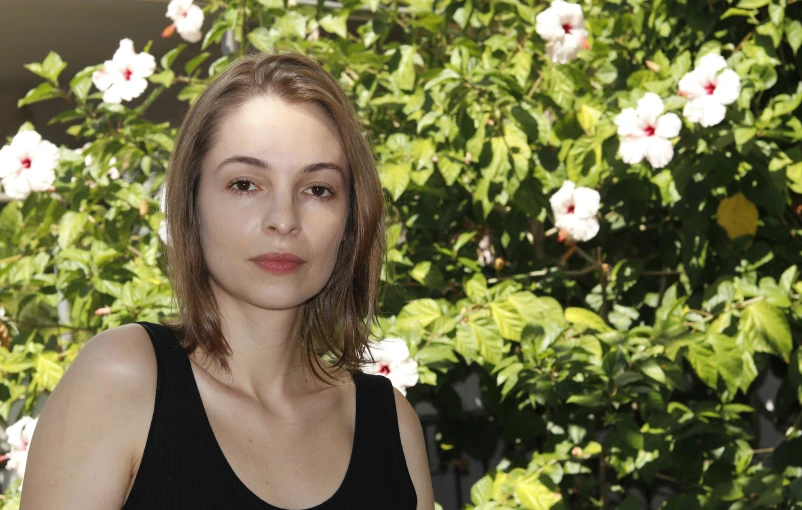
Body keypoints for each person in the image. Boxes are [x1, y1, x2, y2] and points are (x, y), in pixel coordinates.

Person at [20, 50, 434, 509]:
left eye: (317, 189)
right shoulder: (121, 379)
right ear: (191, 204)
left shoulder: (392, 424)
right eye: (245, 184)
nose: (283, 220)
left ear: (350, 219)